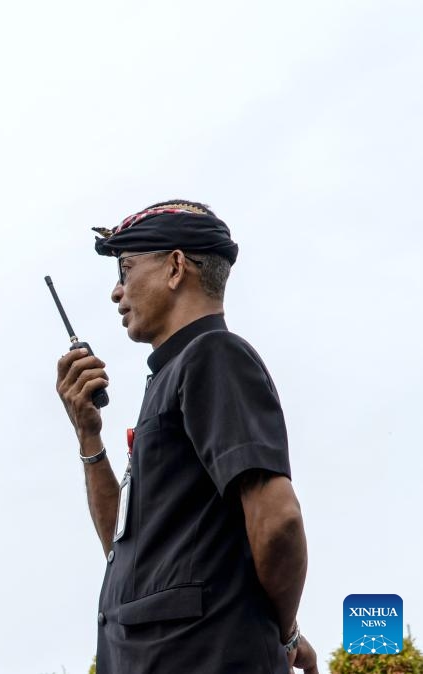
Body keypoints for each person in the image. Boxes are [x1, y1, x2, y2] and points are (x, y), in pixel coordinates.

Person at [55, 201, 318, 673]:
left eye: (126, 268)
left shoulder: (213, 356)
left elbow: (278, 520)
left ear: (176, 267)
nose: (117, 292)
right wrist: (89, 439)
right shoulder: (173, 377)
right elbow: (126, 554)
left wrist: (282, 633)